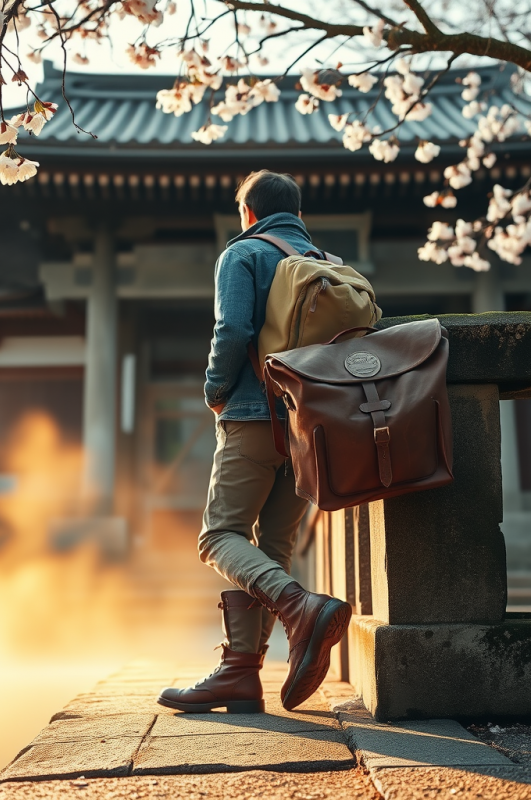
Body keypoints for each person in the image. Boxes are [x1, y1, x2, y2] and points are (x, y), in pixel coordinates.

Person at [157, 170, 351, 714]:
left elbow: (233, 331)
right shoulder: (327, 263)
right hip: (308, 428)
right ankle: (241, 673)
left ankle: (299, 607)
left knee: (219, 536)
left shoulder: (242, 254)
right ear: (298, 213)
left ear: (248, 213)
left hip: (251, 417)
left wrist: (214, 390)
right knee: (274, 548)